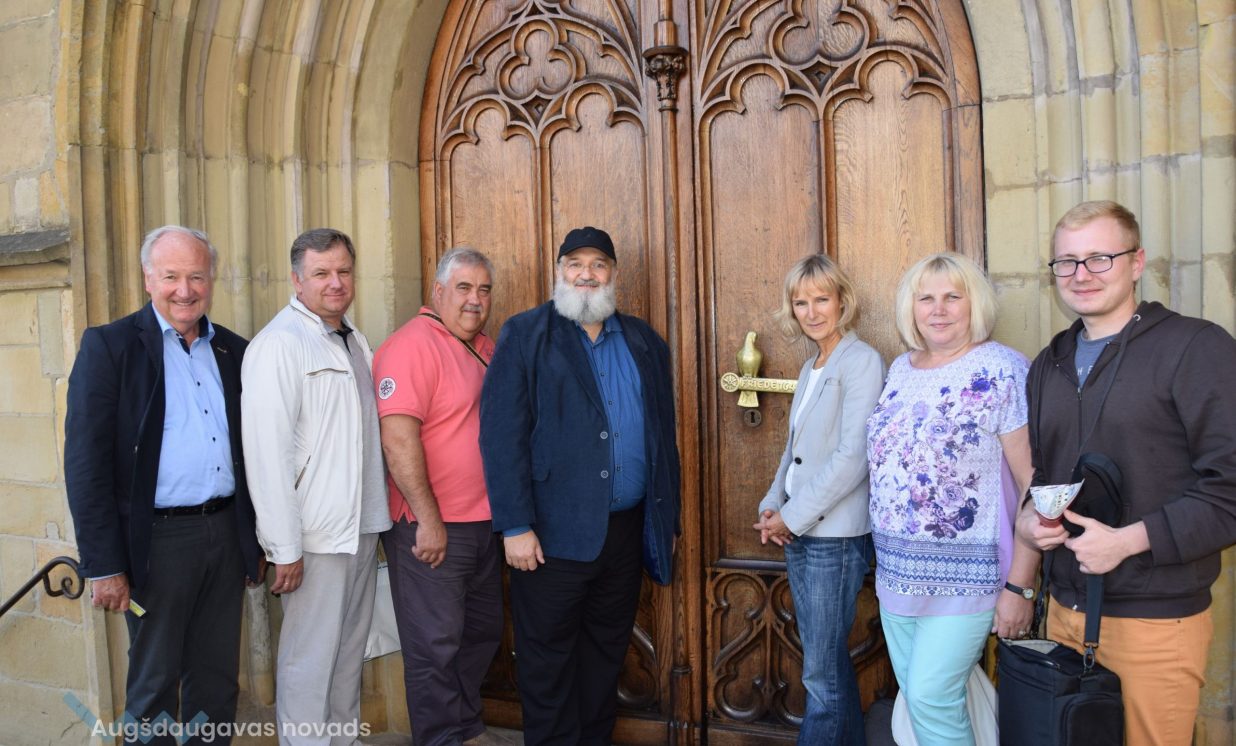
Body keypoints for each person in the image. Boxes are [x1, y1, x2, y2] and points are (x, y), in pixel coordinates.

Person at [1016, 201, 1236, 746]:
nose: (1081, 274)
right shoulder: (1048, 362)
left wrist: (1129, 541)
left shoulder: (1194, 347)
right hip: (1063, 614)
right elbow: (1045, 473)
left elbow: (1229, 488)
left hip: (1154, 621)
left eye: (1100, 258)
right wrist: (1029, 520)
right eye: (1067, 262)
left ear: (1137, 262)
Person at [479, 226, 681, 746]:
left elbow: (663, 438)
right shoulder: (526, 335)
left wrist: (666, 523)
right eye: (575, 264)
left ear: (613, 274)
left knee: (604, 658)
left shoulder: (644, 341)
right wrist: (515, 525)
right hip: (549, 538)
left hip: (624, 534)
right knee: (547, 664)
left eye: (598, 264)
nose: (586, 274)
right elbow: (501, 437)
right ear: (559, 272)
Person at [64, 225, 264, 742]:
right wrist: (104, 565)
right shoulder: (110, 347)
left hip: (225, 533)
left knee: (217, 680)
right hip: (156, 544)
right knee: (153, 685)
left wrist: (255, 540)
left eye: (196, 276)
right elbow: (85, 464)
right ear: (148, 278)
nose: (185, 290)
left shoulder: (235, 351)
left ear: (211, 279)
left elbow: (253, 453)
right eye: (171, 276)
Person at [865, 252, 1038, 745]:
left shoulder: (1003, 370)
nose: (938, 309)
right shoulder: (900, 368)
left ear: (974, 304)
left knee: (930, 698)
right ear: (911, 308)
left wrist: (1021, 585)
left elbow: (1034, 484)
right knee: (929, 699)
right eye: (926, 298)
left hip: (969, 577)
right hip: (897, 573)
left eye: (952, 297)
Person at [241, 228, 392, 744]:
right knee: (309, 661)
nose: (335, 282)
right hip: (315, 538)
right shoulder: (280, 344)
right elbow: (267, 456)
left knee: (348, 656)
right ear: (297, 280)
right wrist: (284, 548)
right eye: (321, 273)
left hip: (361, 527)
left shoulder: (353, 338)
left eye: (343, 271)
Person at [372, 247, 503, 746]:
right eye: (464, 288)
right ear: (438, 291)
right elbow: (398, 441)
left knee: (480, 633)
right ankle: (442, 737)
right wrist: (428, 520)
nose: (475, 300)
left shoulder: (484, 346)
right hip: (433, 527)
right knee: (435, 644)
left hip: (483, 523)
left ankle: (466, 729)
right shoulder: (412, 346)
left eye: (484, 290)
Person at [754, 255, 884, 745]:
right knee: (826, 665)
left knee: (820, 672)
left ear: (842, 301)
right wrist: (773, 505)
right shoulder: (811, 366)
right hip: (799, 531)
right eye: (800, 302)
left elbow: (854, 457)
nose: (811, 312)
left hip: (835, 537)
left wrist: (792, 516)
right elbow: (794, 451)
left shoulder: (862, 361)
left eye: (821, 299)